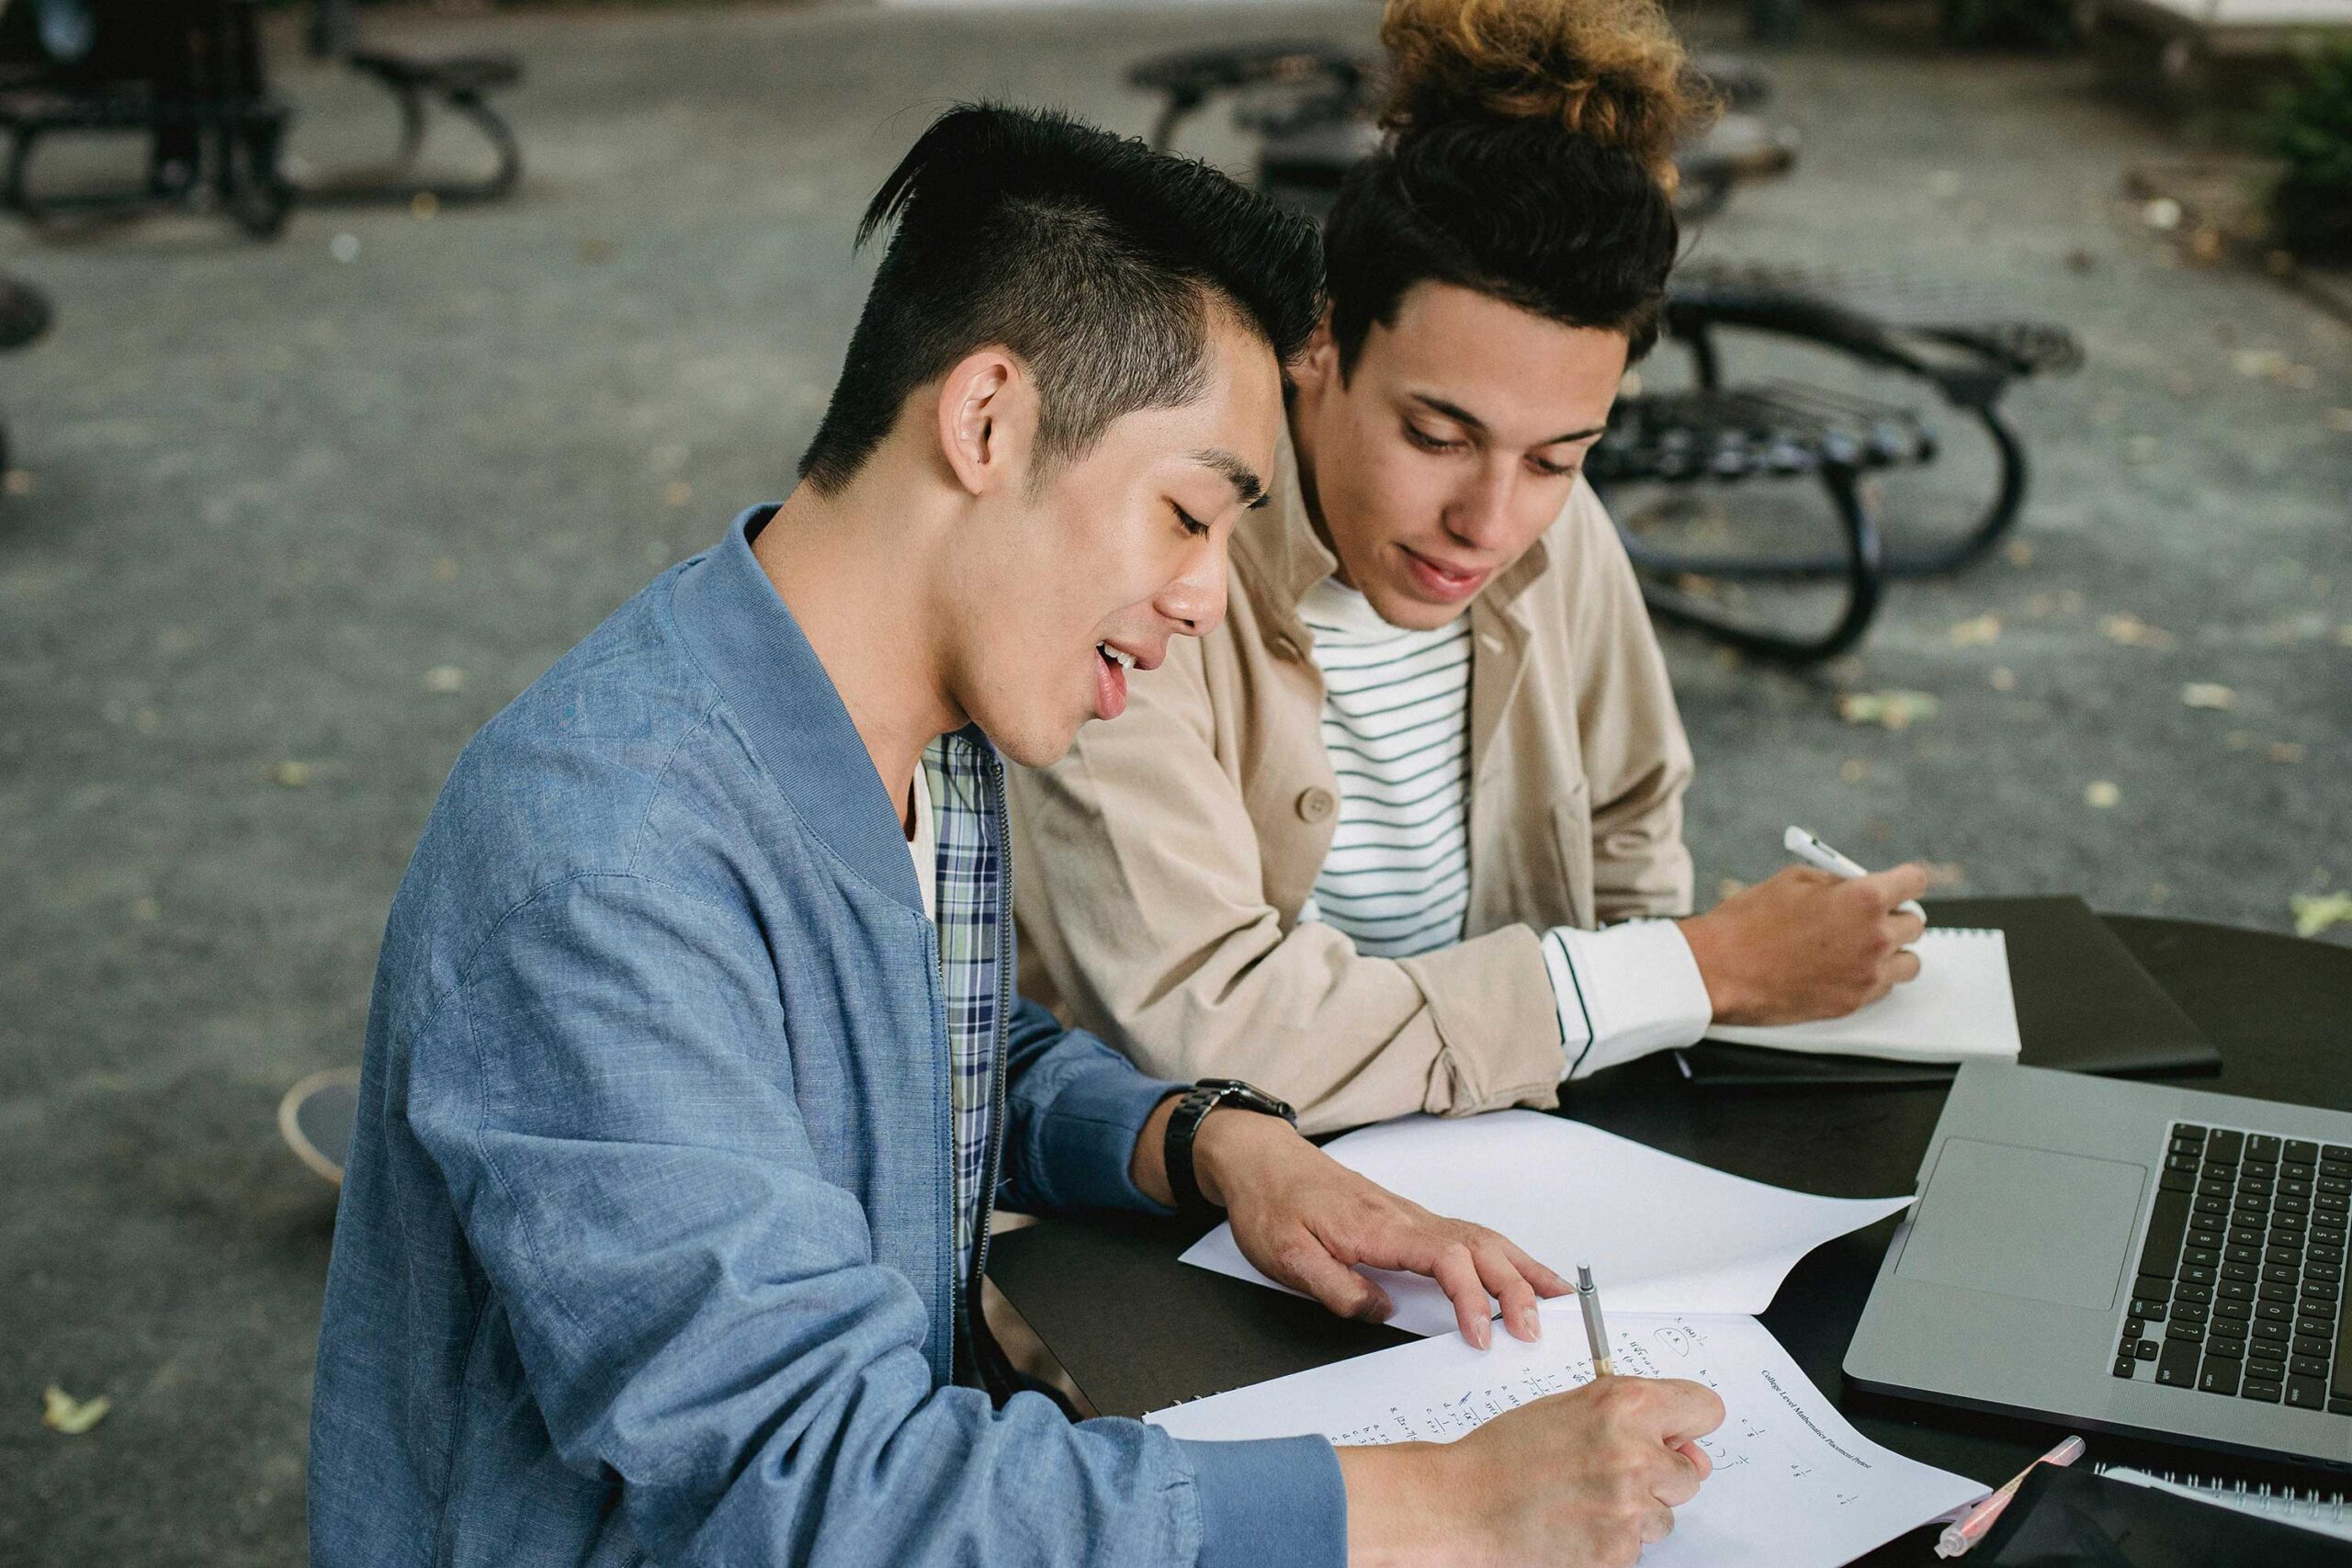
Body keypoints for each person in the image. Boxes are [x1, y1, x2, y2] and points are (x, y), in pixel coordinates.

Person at [309, 104, 1723, 1568]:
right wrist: (1449, 1501)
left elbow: (930, 1051)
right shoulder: (606, 859)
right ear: (987, 419)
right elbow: (810, 1486)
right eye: (1186, 514)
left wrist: (1215, 1144)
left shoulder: (911, 724)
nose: (1202, 594)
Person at [1010, 0, 1930, 1134]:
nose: (1487, 522)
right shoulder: (1149, 565)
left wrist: (1632, 1054)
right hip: (1194, 1207)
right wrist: (1690, 973)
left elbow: (1631, 823)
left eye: (1556, 457)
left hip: (1503, 1152)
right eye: (1437, 438)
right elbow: (1207, 1026)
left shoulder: (1560, 527)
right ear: (1320, 341)